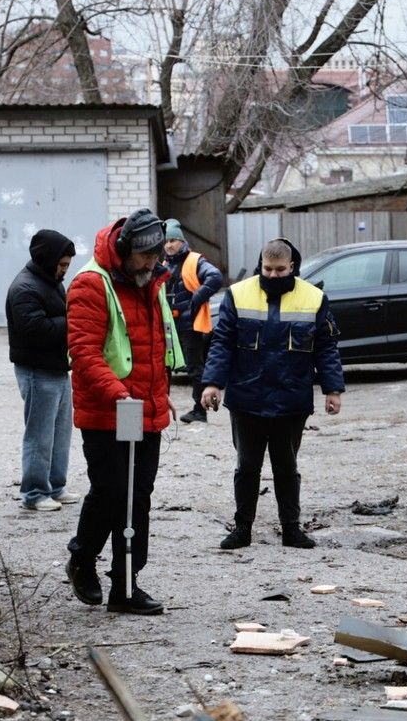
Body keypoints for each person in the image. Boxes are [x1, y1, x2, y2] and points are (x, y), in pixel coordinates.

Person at [65, 209, 185, 615]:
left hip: (142, 408)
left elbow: (153, 346)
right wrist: (119, 393)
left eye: (156, 257)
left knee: (139, 496)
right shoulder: (90, 284)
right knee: (112, 492)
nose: (152, 263)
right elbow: (83, 352)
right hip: (107, 409)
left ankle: (126, 584)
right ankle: (82, 558)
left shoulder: (150, 280)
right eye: (145, 257)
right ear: (123, 250)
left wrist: (159, 391)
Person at [201, 238, 345, 550]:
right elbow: (222, 342)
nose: (274, 275)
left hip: (291, 400)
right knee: (247, 466)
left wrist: (332, 389)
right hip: (247, 399)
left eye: (280, 270)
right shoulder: (238, 295)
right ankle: (242, 529)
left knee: (287, 467)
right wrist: (212, 383)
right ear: (261, 264)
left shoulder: (314, 298)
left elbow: (326, 347)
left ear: (293, 266)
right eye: (268, 269)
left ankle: (291, 530)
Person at [5, 229, 80, 512]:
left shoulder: (49, 282)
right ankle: (35, 493)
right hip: (37, 372)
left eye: (67, 265)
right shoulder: (25, 288)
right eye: (62, 265)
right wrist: (71, 320)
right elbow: (35, 330)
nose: (64, 271)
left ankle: (55, 487)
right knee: (39, 434)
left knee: (60, 433)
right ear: (48, 260)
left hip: (57, 369)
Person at [161, 219, 223, 424]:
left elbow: (214, 277)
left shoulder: (195, 261)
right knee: (165, 366)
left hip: (189, 326)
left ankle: (200, 409)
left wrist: (197, 298)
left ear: (181, 241)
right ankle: (162, 405)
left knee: (195, 368)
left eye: (173, 240)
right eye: (166, 241)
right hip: (169, 324)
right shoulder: (164, 264)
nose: (169, 245)